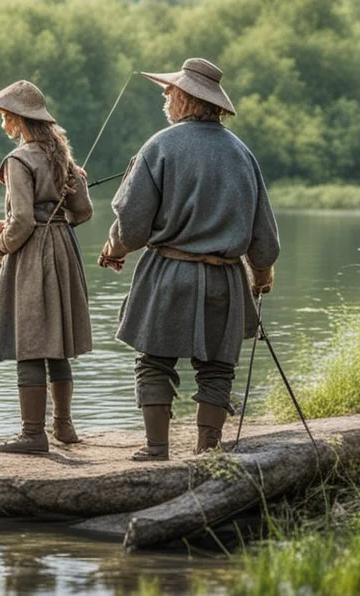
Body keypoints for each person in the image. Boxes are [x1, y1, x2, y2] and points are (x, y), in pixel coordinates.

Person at [97, 58, 279, 461]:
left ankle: (156, 450)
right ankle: (207, 452)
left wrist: (113, 249)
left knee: (154, 362)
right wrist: (262, 273)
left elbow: (131, 225)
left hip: (168, 275)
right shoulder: (242, 153)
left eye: (169, 92)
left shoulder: (159, 145)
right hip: (227, 280)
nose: (165, 98)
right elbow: (263, 232)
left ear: (185, 98)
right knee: (217, 368)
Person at [0, 80, 93, 455]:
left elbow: (24, 221)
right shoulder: (62, 157)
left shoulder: (19, 159)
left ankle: (32, 435)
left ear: (17, 119)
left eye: (4, 118)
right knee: (56, 342)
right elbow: (83, 212)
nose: (3, 125)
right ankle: (65, 427)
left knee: (29, 343)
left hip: (31, 256)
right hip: (63, 250)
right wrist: (56, 221)